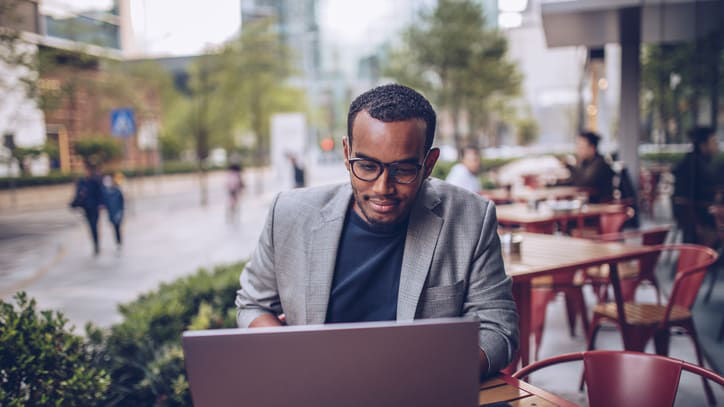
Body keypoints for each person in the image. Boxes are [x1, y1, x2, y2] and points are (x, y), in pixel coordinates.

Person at [235, 84, 519, 376]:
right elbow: (252, 305)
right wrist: (293, 353)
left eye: (403, 170)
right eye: (367, 166)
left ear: (429, 164)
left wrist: (434, 374)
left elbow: (498, 328)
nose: (383, 188)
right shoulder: (289, 214)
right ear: (346, 154)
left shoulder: (471, 218)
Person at [672, 127, 721, 247]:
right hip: (700, 218)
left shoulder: (691, 161)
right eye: (714, 141)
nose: (717, 145)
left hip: (690, 215)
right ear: (703, 145)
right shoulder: (696, 166)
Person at [559, 131, 614, 203]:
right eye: (577, 146)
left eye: (581, 147)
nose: (578, 150)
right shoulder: (586, 162)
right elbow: (574, 180)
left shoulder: (600, 164)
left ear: (592, 148)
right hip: (589, 205)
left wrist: (569, 167)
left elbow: (583, 183)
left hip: (600, 207)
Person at [70, 164, 105, 255]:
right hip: (86, 208)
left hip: (94, 208)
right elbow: (77, 195)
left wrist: (101, 204)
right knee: (91, 227)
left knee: (94, 226)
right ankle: (95, 243)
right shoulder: (81, 182)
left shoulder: (95, 181)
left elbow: (100, 194)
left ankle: (96, 245)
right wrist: (73, 204)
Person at [103, 172, 125, 251]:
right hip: (111, 214)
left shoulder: (117, 190)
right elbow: (104, 203)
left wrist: (121, 212)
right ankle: (118, 242)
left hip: (118, 212)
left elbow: (122, 202)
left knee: (117, 228)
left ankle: (119, 242)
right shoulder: (105, 192)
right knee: (114, 228)